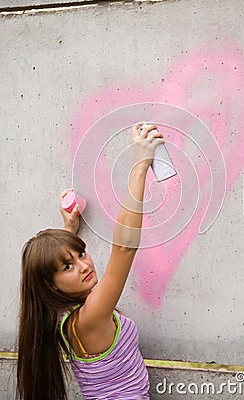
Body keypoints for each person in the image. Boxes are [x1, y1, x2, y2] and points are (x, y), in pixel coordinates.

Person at [17, 123, 164, 400]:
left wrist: (68, 231)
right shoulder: (90, 317)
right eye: (68, 266)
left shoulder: (59, 315)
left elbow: (54, 269)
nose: (84, 265)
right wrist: (141, 165)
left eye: (81, 254)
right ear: (52, 286)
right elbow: (123, 248)